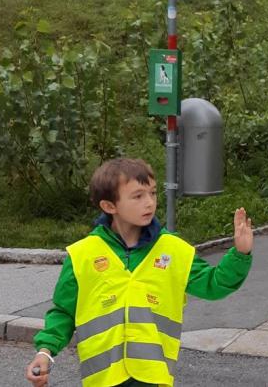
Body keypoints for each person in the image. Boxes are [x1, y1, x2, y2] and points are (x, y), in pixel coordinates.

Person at [26, 158, 253, 387]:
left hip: (152, 378)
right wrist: (45, 353)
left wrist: (240, 254)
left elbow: (214, 285)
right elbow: (64, 312)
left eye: (153, 193)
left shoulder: (174, 250)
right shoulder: (82, 254)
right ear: (109, 206)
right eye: (138, 196)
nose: (149, 203)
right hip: (102, 380)